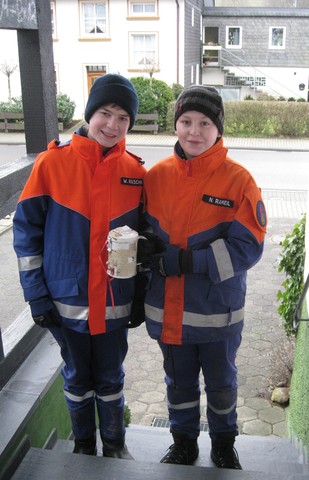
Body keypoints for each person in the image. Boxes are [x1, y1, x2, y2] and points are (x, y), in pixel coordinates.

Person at [13, 74, 147, 458]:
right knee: (77, 377)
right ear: (90, 114)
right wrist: (36, 296)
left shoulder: (137, 172)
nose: (113, 125)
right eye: (105, 113)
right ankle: (84, 446)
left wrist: (139, 294)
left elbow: (145, 241)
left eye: (123, 118)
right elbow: (25, 234)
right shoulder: (51, 163)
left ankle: (116, 446)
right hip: (65, 303)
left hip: (114, 303)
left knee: (111, 377)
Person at [138, 86, 267, 469]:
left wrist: (189, 263)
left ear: (218, 128)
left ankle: (224, 445)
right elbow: (145, 229)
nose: (194, 131)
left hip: (217, 317)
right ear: (175, 125)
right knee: (178, 385)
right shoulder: (155, 176)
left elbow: (248, 248)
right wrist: (144, 245)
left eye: (205, 123)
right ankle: (184, 444)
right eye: (186, 121)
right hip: (168, 314)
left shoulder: (239, 181)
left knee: (222, 384)